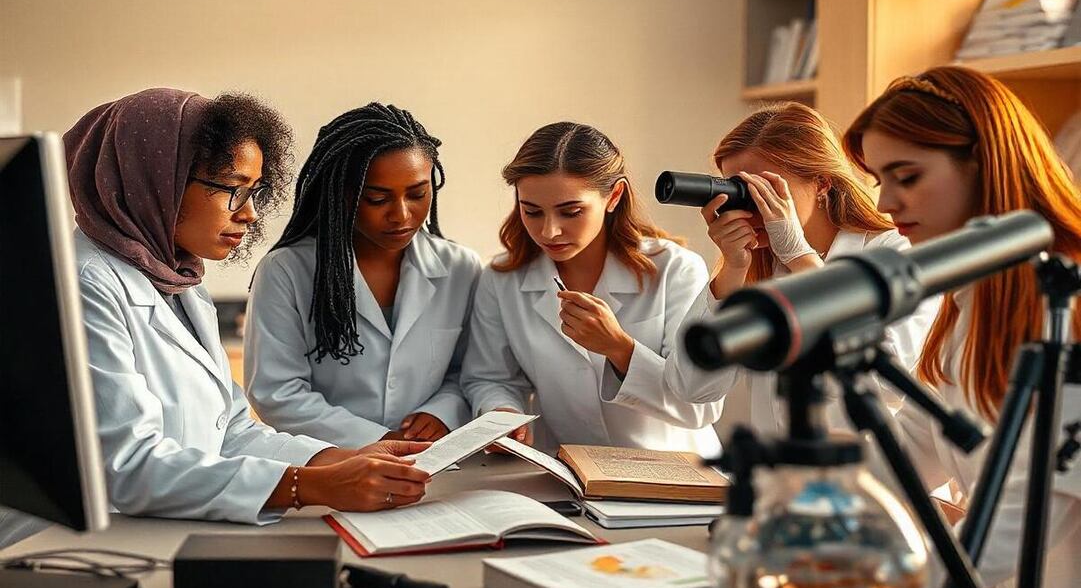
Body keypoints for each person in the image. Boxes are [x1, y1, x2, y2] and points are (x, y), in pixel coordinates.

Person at [66, 88, 430, 524]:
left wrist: (343, 459)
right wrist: (307, 487)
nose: (251, 214)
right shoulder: (84, 285)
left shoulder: (179, 281)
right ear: (157, 182)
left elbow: (233, 431)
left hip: (158, 529)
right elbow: (127, 465)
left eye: (255, 192)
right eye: (234, 191)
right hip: (75, 546)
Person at [842, 65, 1081, 588]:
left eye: (906, 176)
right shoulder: (970, 302)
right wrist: (802, 492)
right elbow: (914, 449)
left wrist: (892, 586)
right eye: (880, 178)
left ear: (984, 165)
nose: (885, 203)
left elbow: (1034, 500)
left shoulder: (1069, 300)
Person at [664, 102, 938, 437]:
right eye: (741, 194)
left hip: (865, 474)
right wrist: (731, 273)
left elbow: (887, 383)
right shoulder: (759, 267)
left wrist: (799, 256)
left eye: (766, 192)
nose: (754, 209)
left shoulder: (894, 250)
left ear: (822, 183)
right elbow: (691, 389)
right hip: (779, 477)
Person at [461, 121, 721, 455]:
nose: (550, 231)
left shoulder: (676, 269)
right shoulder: (501, 278)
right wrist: (502, 414)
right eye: (532, 212)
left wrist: (619, 348)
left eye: (570, 212)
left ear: (614, 196)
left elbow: (700, 407)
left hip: (675, 475)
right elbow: (489, 378)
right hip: (567, 474)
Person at [245, 103, 480, 447]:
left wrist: (442, 412)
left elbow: (472, 372)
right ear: (340, 193)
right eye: (376, 198)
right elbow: (277, 393)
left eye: (417, 194)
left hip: (437, 459)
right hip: (331, 462)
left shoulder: (461, 268)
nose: (401, 215)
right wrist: (379, 439)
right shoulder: (287, 271)